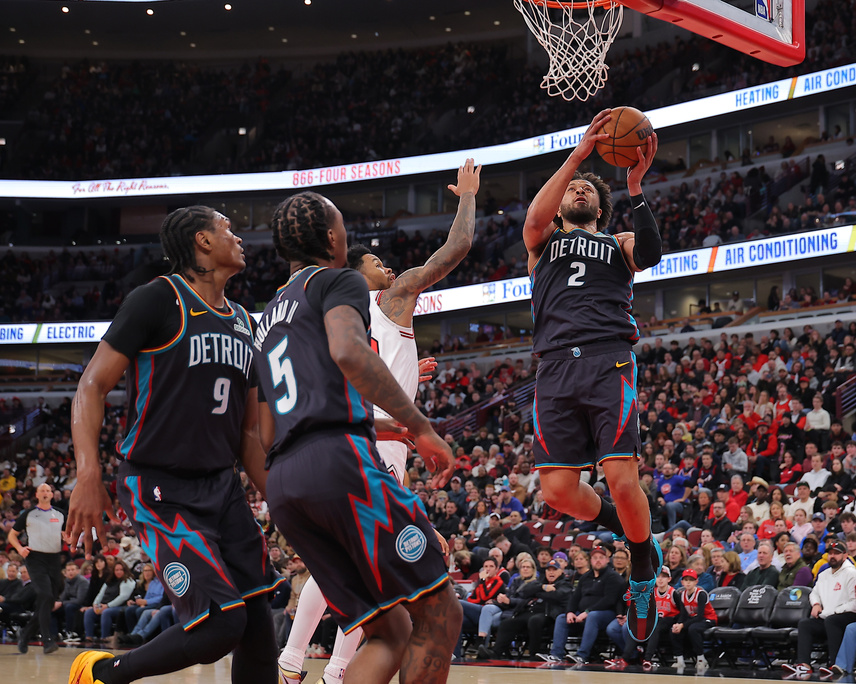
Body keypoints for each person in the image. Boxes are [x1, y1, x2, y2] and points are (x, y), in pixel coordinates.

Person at [276, 159, 480, 684]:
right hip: (361, 451)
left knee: (370, 591)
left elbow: (333, 375)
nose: (385, 266)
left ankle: (322, 666)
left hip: (300, 459)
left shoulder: (293, 309)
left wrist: (411, 377)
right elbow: (454, 251)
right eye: (374, 259)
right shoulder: (379, 298)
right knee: (429, 605)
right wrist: (468, 198)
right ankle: (304, 662)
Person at [66, 206, 282, 684]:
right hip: (160, 486)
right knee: (221, 624)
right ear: (203, 241)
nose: (239, 238)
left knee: (259, 632)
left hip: (222, 489)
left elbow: (248, 434)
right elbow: (91, 387)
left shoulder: (246, 322)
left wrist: (283, 502)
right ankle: (105, 674)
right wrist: (88, 471)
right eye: (229, 229)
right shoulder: (158, 299)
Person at [523, 110, 663, 642]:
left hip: (608, 359)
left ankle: (643, 570)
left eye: (586, 189)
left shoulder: (618, 242)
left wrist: (635, 187)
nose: (579, 189)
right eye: (573, 188)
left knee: (622, 476)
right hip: (555, 365)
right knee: (557, 490)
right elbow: (533, 221)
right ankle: (630, 535)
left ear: (601, 209)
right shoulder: (541, 245)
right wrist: (578, 156)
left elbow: (650, 253)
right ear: (561, 205)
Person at [783, 541, 856, 678]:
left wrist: (833, 612)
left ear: (845, 555)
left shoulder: (851, 573)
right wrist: (816, 604)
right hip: (827, 618)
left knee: (832, 621)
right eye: (830, 553)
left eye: (836, 553)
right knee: (805, 624)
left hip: (847, 617)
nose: (832, 556)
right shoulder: (824, 574)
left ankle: (836, 664)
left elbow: (854, 603)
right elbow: (814, 593)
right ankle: (804, 665)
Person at [542, 545, 625, 664]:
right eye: (595, 557)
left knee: (593, 616)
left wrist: (587, 612)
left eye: (601, 557)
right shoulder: (586, 577)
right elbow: (575, 597)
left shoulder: (613, 577)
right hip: (583, 614)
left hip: (605, 614)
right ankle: (556, 654)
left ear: (607, 560)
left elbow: (609, 600)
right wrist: (570, 611)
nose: (598, 560)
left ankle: (582, 655)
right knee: (562, 618)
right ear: (591, 561)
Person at [7, 482, 64, 654]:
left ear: (52, 495)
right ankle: (47, 640)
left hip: (54, 558)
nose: (45, 493)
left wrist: (69, 538)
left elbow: (68, 533)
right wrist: (20, 548)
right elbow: (12, 535)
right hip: (35, 559)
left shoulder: (60, 514)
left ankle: (25, 634)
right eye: (42, 490)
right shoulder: (29, 514)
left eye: (48, 490)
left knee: (48, 601)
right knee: (45, 595)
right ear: (37, 495)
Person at [480, 560, 571, 660]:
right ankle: (495, 653)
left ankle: (535, 653)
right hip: (531, 610)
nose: (551, 572)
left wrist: (537, 593)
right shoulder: (541, 581)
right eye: (548, 570)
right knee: (508, 623)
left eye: (554, 570)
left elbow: (556, 596)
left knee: (535, 621)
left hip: (549, 614)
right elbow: (527, 590)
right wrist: (543, 587)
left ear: (561, 571)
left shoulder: (565, 583)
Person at [672, 568, 716, 672]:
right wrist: (678, 624)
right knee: (674, 630)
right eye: (686, 580)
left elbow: (700, 616)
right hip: (693, 620)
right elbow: (683, 614)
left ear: (696, 582)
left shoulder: (701, 594)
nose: (688, 582)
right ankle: (680, 660)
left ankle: (701, 659)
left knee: (693, 629)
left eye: (691, 580)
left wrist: (683, 625)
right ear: (682, 582)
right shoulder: (681, 595)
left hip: (708, 619)